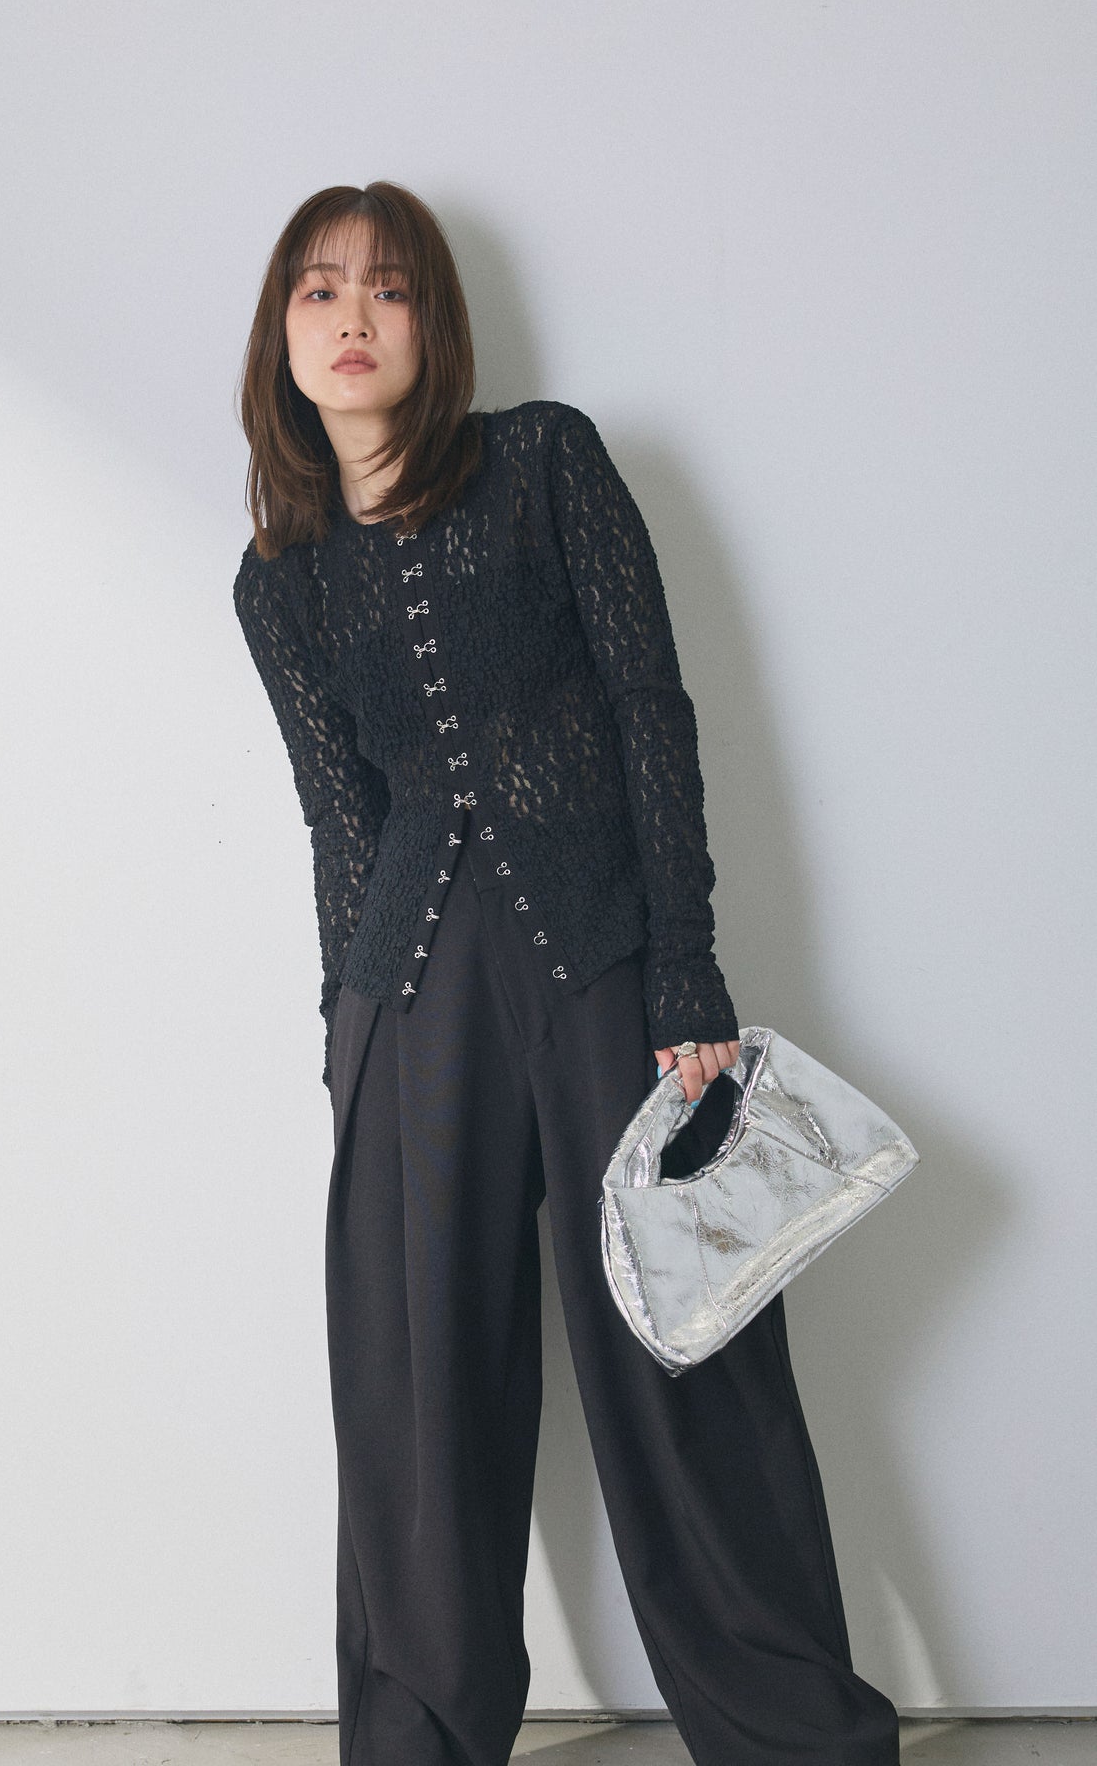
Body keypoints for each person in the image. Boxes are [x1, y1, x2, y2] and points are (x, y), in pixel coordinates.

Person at [232, 181, 900, 1766]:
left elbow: (648, 711)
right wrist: (341, 1040)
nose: (349, 318)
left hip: (601, 964)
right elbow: (340, 822)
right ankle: (418, 1734)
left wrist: (686, 976)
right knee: (417, 1389)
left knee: (685, 1347)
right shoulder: (280, 577)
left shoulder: (543, 464)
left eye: (387, 289)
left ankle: (789, 1730)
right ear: (279, 337)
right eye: (317, 290)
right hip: (404, 1007)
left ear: (433, 323)